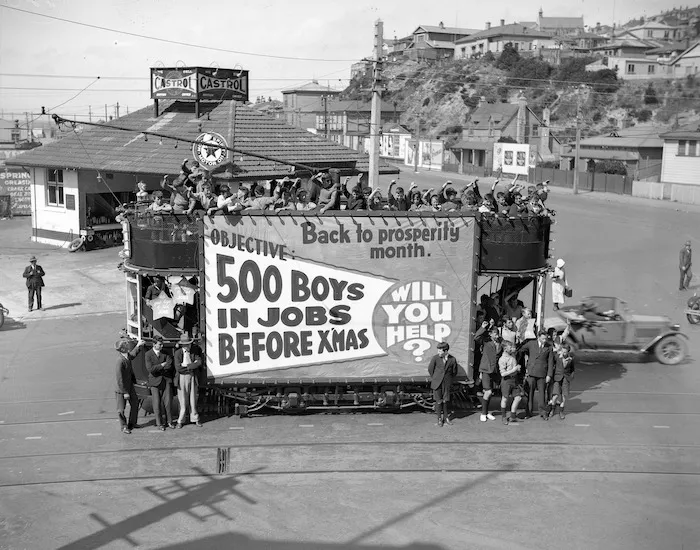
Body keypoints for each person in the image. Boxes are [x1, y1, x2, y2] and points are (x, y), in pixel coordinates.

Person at [518, 330, 554, 420]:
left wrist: (549, 375)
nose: (544, 340)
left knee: (542, 394)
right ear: (538, 337)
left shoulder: (549, 347)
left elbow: (550, 362)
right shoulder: (531, 344)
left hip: (542, 373)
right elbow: (521, 349)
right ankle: (528, 412)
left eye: (545, 338)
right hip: (531, 372)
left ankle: (543, 412)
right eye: (543, 339)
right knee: (529, 393)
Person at [115, 338, 146, 434]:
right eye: (126, 344)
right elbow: (120, 379)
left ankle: (132, 423)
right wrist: (125, 392)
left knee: (135, 403)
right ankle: (124, 426)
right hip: (122, 389)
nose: (128, 345)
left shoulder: (126, 356)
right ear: (123, 348)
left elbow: (132, 355)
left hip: (129, 385)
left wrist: (138, 346)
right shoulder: (120, 361)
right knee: (121, 409)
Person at [145, 336, 175, 430]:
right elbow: (150, 369)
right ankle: (159, 424)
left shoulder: (165, 353)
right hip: (155, 381)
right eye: (160, 344)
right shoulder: (148, 354)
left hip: (166, 380)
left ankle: (169, 421)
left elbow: (169, 365)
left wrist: (158, 367)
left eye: (162, 344)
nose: (162, 346)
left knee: (168, 402)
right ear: (154, 344)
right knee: (156, 403)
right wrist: (162, 365)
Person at [174, 333, 203, 428]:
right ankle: (180, 421)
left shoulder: (194, 351)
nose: (188, 346)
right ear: (183, 345)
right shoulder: (178, 353)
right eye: (186, 344)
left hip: (192, 376)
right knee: (182, 400)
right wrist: (192, 366)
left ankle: (195, 418)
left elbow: (199, 362)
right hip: (182, 377)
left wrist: (187, 366)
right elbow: (178, 368)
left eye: (189, 344)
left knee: (193, 398)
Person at [475, 321, 502, 422]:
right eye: (495, 333)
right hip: (486, 369)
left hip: (495, 370)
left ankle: (486, 412)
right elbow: (476, 338)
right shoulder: (486, 341)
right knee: (488, 391)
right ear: (490, 334)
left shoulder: (500, 341)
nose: (497, 335)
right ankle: (483, 413)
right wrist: (483, 327)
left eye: (497, 333)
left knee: (491, 392)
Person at [428, 342, 457, 427]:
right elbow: (430, 369)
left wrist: (448, 380)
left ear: (446, 351)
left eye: (440, 351)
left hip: (446, 384)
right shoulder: (435, 358)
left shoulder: (452, 359)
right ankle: (439, 419)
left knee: (445, 401)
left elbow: (454, 372)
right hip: (437, 383)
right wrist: (436, 378)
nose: (439, 353)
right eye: (438, 351)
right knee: (438, 401)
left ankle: (446, 417)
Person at [498, 341, 523, 424]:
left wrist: (517, 370)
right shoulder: (502, 359)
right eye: (510, 347)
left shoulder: (512, 355)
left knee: (518, 397)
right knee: (505, 398)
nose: (512, 348)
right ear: (505, 349)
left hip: (514, 380)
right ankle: (504, 417)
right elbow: (503, 374)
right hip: (506, 380)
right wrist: (514, 369)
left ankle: (513, 416)